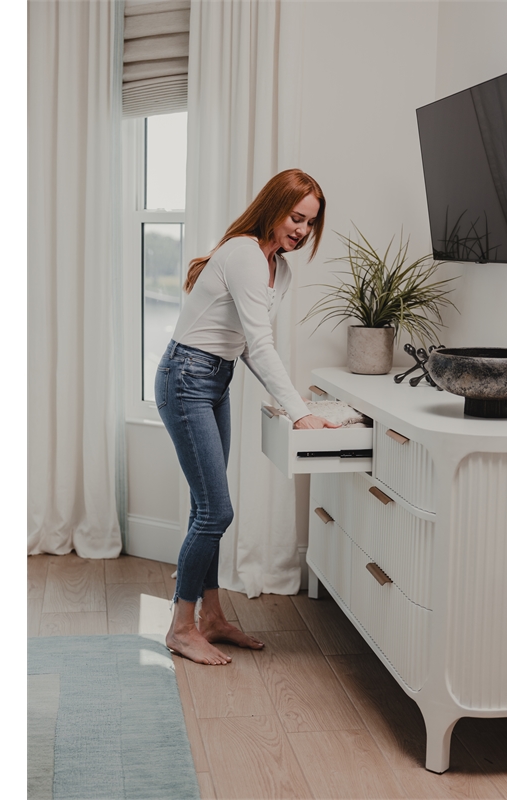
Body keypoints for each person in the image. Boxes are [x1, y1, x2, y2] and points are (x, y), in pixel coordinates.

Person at [155, 169, 340, 665]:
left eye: (310, 223)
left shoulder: (280, 269)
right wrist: (300, 413)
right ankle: (180, 628)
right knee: (216, 513)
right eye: (296, 217)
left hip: (215, 379)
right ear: (274, 208)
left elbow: (251, 349)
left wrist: (297, 410)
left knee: (206, 508)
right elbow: (259, 342)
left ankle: (211, 618)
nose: (302, 230)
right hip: (186, 377)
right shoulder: (243, 254)